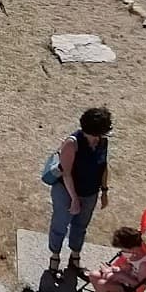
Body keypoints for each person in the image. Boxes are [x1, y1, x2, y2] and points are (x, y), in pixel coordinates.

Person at [46, 106, 113, 276]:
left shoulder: (102, 142)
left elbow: (103, 166)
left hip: (90, 192)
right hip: (66, 191)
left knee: (81, 225)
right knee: (60, 223)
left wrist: (104, 191)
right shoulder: (72, 143)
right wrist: (74, 199)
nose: (99, 138)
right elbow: (67, 174)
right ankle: (54, 257)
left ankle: (75, 257)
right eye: (97, 134)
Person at [85, 226, 146, 292]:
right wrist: (114, 269)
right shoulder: (132, 255)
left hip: (129, 289)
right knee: (93, 274)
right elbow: (125, 269)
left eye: (123, 249)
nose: (122, 252)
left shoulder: (144, 265)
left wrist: (122, 275)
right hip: (121, 280)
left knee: (101, 283)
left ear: (132, 248)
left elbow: (138, 285)